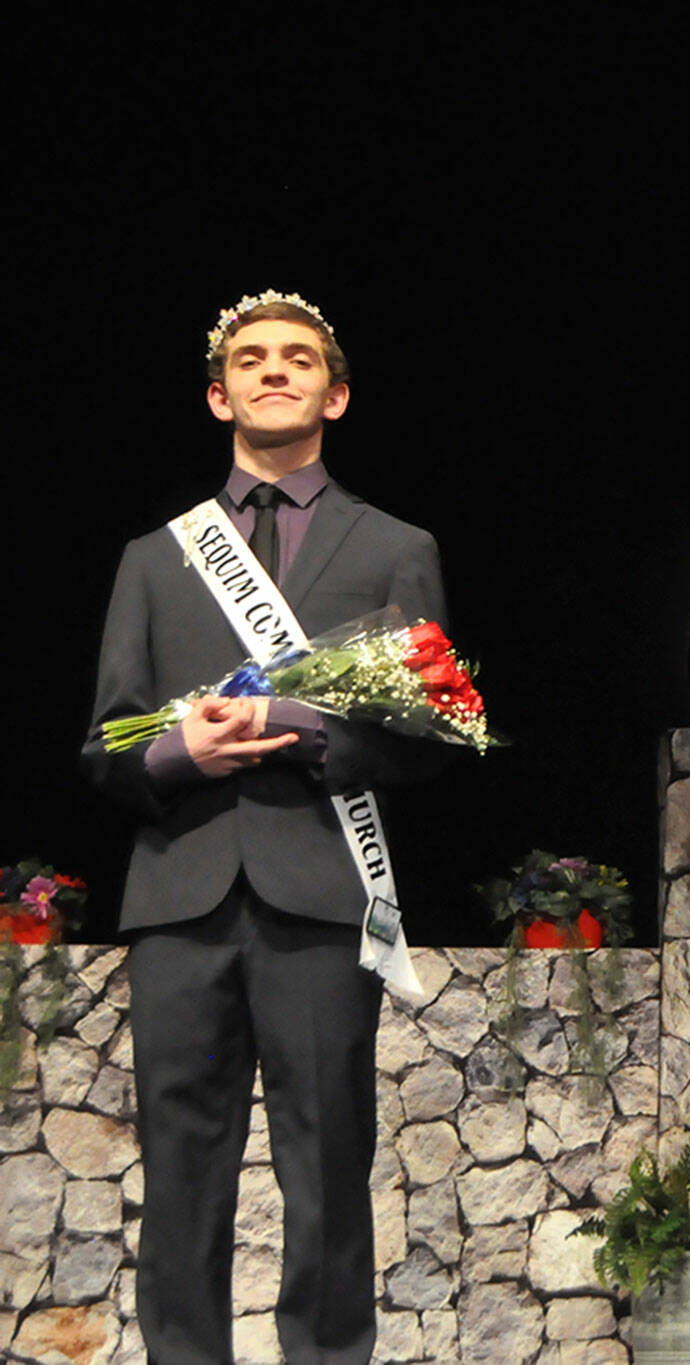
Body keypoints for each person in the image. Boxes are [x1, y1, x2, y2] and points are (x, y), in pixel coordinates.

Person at [81, 291, 449, 1362]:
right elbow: (104, 744)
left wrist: (298, 727)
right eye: (251, 359)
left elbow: (426, 738)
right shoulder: (155, 558)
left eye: (297, 359)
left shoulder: (396, 547)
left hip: (322, 899)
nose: (273, 372)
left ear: (335, 393)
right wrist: (175, 752)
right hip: (181, 900)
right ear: (217, 393)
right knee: (182, 1170)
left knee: (329, 1168)